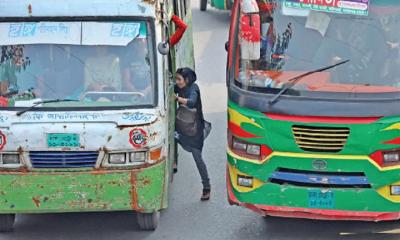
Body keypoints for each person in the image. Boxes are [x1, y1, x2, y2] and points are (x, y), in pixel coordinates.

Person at [174, 67, 211, 201]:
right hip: (182, 127)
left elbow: (191, 102)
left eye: (179, 79)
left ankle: (206, 187)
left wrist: (177, 99)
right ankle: (174, 163)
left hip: (195, 131)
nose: (177, 82)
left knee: (198, 158)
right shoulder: (179, 87)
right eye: (176, 79)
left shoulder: (193, 88)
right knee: (172, 137)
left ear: (187, 80)